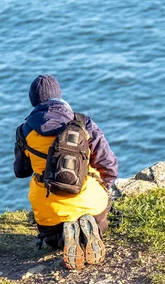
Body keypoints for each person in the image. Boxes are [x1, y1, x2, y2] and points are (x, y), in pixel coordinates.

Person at [14, 75, 118, 270]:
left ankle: (64, 236)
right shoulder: (82, 123)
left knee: (50, 236)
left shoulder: (25, 131)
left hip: (48, 206)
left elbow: (20, 172)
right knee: (102, 219)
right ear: (59, 96)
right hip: (88, 198)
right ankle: (91, 227)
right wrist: (104, 188)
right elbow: (109, 165)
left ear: (33, 101)